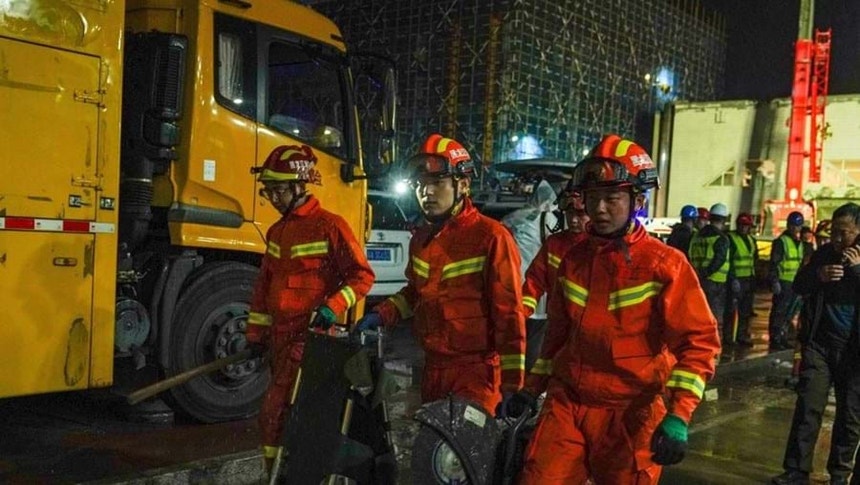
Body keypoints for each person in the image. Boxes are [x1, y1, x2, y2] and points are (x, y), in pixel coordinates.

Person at [510, 134, 720, 484]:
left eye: (611, 198)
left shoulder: (665, 265)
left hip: (631, 414)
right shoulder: (573, 259)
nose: (599, 209)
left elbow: (699, 343)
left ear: (637, 200)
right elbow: (558, 339)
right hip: (568, 406)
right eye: (593, 197)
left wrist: (679, 415)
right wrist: (532, 389)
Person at [356, 133, 526, 415]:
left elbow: (509, 316)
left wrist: (513, 386)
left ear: (463, 185)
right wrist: (383, 313)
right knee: (431, 450)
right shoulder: (421, 239)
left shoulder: (491, 237)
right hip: (432, 370)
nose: (427, 193)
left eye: (437, 183)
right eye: (420, 185)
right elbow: (415, 292)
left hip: (477, 374)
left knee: (464, 455)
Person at [244, 144, 376, 475]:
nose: (272, 198)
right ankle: (280, 473)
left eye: (278, 190)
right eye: (268, 191)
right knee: (285, 417)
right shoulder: (276, 231)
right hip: (281, 340)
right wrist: (256, 335)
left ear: (299, 186)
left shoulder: (330, 227)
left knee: (277, 413)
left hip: (314, 342)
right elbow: (264, 287)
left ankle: (284, 476)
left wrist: (332, 307)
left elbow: (362, 276)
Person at [771, 202, 860, 485]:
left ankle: (840, 474)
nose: (836, 238)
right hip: (820, 345)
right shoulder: (823, 255)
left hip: (854, 352)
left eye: (843, 233)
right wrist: (818, 276)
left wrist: (857, 270)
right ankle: (796, 470)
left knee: (849, 416)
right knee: (808, 407)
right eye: (834, 231)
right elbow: (799, 284)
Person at [520, 188, 589, 370]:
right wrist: (521, 314)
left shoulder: (604, 248)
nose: (573, 220)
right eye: (569, 213)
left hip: (591, 334)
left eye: (581, 214)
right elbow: (534, 282)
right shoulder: (554, 244)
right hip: (557, 330)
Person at [689, 202, 731, 345]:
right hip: (716, 282)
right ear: (724, 220)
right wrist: (707, 272)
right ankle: (710, 345)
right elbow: (719, 260)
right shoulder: (721, 239)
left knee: (698, 314)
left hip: (696, 279)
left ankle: (696, 342)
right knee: (713, 316)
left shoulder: (696, 236)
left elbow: (689, 256)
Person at [769, 211, 806, 350]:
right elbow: (774, 263)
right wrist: (774, 281)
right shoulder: (781, 241)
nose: (796, 228)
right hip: (783, 282)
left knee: (788, 313)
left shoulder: (799, 243)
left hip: (794, 283)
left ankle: (782, 337)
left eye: (798, 226)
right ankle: (775, 338)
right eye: (794, 225)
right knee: (779, 312)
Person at [726, 212, 759, 346]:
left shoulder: (751, 240)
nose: (744, 228)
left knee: (745, 311)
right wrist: (733, 278)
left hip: (748, 280)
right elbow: (729, 260)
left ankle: (741, 335)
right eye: (742, 225)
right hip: (736, 279)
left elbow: (754, 259)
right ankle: (729, 337)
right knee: (731, 311)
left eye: (746, 226)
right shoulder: (730, 238)